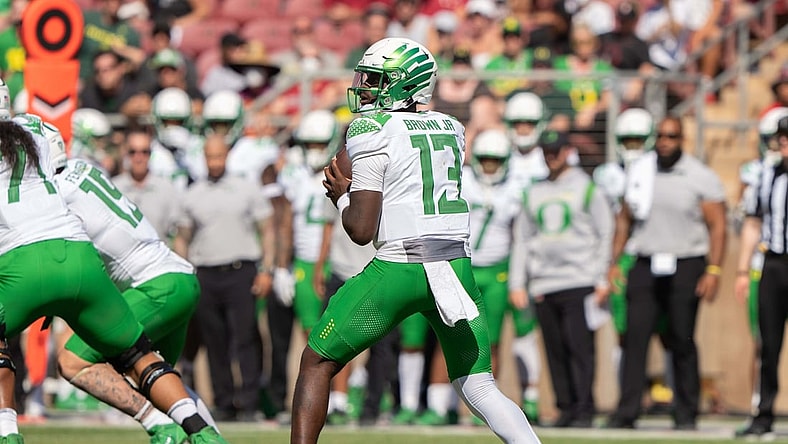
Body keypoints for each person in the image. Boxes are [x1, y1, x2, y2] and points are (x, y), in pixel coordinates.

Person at [291, 37, 540, 444]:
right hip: (457, 267)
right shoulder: (452, 127)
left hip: (401, 267)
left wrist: (342, 198)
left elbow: (360, 230)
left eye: (375, 79)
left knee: (317, 360)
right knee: (478, 386)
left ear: (404, 83)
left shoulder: (371, 128)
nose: (365, 86)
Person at [0, 81, 222, 444]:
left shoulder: (57, 186)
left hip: (142, 283)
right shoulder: (60, 154)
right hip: (148, 271)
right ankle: (203, 435)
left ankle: (8, 433)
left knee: (73, 361)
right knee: (144, 360)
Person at [606, 116, 727, 430]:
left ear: (681, 140)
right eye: (659, 136)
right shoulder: (641, 171)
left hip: (686, 262)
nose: (664, 142)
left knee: (682, 339)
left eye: (671, 136)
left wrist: (713, 270)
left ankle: (686, 412)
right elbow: (624, 219)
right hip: (645, 262)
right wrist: (614, 262)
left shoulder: (700, 176)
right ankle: (627, 410)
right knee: (635, 338)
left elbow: (717, 226)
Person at [510, 130, 614, 428]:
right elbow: (522, 239)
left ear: (568, 151)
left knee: (579, 347)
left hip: (579, 279)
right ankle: (565, 407)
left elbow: (605, 231)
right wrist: (518, 282)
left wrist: (601, 277)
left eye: (556, 150)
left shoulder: (587, 187)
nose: (551, 156)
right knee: (554, 349)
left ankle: (584, 408)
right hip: (544, 281)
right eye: (546, 150)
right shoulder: (534, 190)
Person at [174, 134, 275, 422]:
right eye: (210, 157)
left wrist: (267, 269)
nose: (215, 162)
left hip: (241, 270)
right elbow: (182, 237)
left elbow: (267, 228)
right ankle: (224, 400)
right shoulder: (193, 193)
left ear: (227, 156)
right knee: (214, 340)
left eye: (219, 156)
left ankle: (250, 400)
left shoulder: (245, 188)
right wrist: (185, 268)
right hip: (206, 273)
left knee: (244, 338)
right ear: (204, 158)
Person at [463, 129, 542, 424]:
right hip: (466, 267)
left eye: (495, 161)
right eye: (485, 160)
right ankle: (443, 403)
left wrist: (519, 277)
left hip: (500, 269)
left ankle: (497, 402)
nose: (490, 167)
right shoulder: (463, 182)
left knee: (497, 339)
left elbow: (521, 236)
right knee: (458, 337)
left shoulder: (515, 189)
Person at [735, 114, 788, 439]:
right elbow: (753, 223)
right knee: (768, 345)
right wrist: (742, 269)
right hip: (773, 265)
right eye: (781, 135)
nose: (783, 140)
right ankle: (763, 413)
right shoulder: (767, 175)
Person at [113, 128, 181, 241]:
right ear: (126, 154)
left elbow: (178, 230)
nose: (139, 158)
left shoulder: (166, 188)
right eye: (133, 152)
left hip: (158, 256)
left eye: (145, 152)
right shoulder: (113, 188)